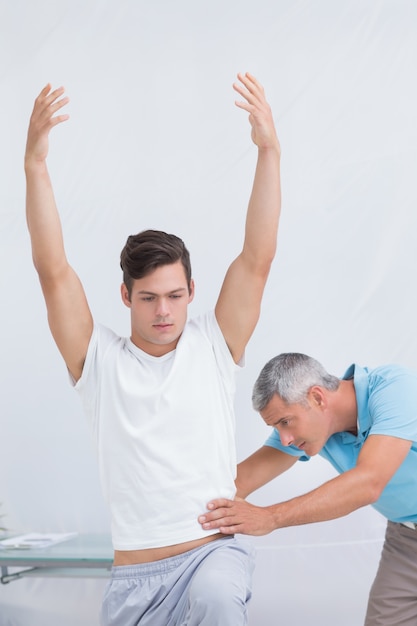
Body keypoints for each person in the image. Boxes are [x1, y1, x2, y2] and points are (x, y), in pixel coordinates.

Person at [24, 73, 281, 625]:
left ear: (192, 293)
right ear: (125, 296)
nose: (163, 311)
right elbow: (53, 272)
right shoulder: (99, 362)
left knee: (216, 599)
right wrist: (35, 166)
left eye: (174, 296)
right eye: (148, 298)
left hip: (212, 556)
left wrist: (268, 150)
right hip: (134, 580)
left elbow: (257, 258)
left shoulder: (214, 345)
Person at [199, 352, 417, 625]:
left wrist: (271, 517)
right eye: (277, 427)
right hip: (406, 538)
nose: (285, 439)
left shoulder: (395, 389)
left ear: (317, 397)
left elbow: (369, 482)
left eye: (285, 422)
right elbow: (238, 483)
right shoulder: (316, 425)